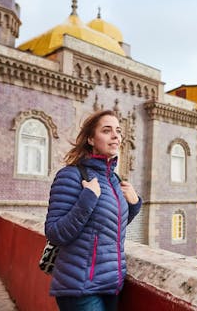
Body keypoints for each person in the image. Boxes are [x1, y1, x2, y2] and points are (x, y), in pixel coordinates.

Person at [45, 109, 142, 311]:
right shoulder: (71, 175)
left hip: (111, 284)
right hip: (80, 287)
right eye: (107, 130)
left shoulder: (114, 180)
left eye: (118, 130)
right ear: (90, 138)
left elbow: (108, 227)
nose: (116, 135)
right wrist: (87, 199)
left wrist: (134, 205)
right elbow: (55, 233)